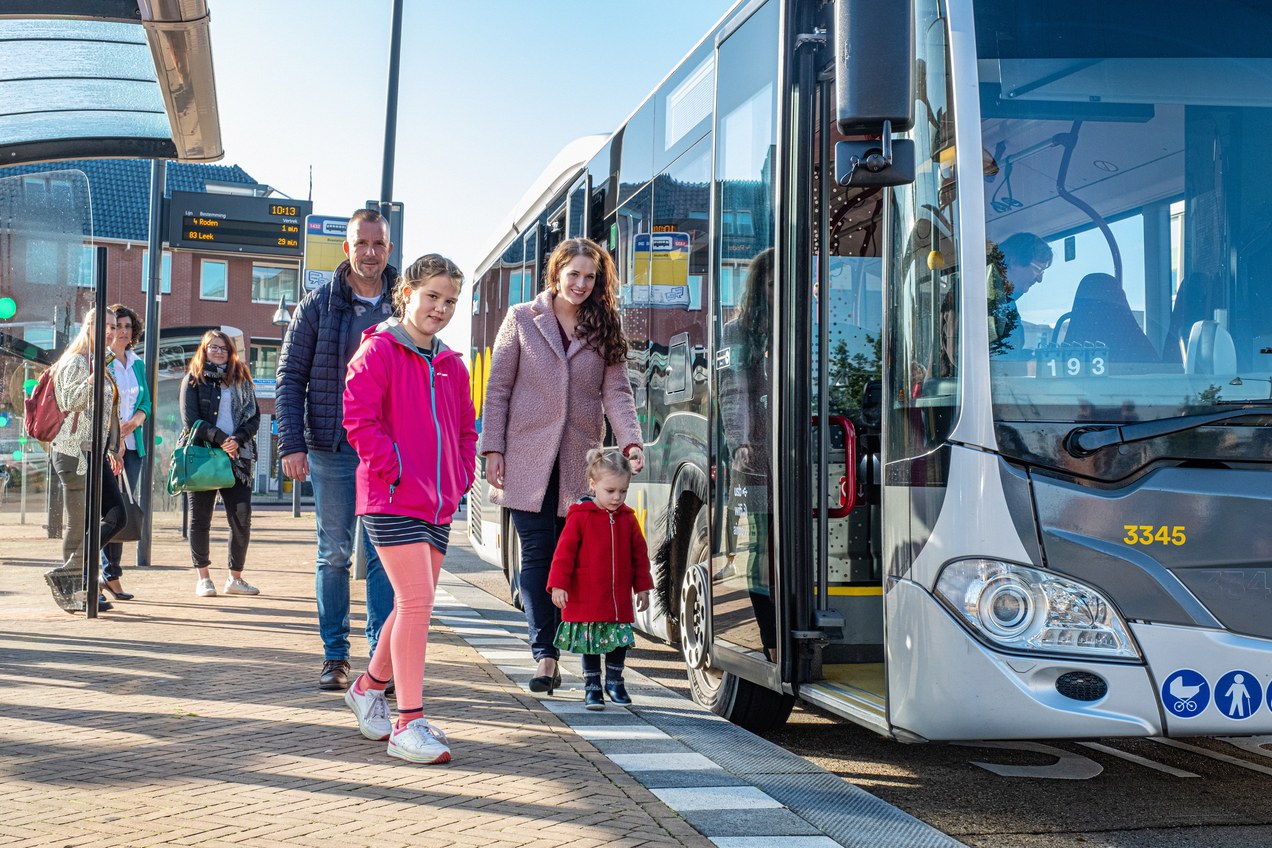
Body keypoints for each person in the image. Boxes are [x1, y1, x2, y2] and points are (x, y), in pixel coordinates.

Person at [480, 237, 644, 694]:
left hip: (579, 458)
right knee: (536, 556)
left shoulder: (604, 325)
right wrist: (493, 447)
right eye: (573, 274)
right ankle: (545, 656)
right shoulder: (521, 319)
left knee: (566, 560)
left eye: (590, 277)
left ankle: (568, 650)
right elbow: (498, 390)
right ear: (556, 273)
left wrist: (629, 440)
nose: (581, 283)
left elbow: (617, 391)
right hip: (526, 455)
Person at [340, 253, 475, 764]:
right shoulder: (379, 351)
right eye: (432, 297)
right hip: (391, 498)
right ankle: (407, 724)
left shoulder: (452, 364)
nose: (440, 308)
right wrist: (393, 467)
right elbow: (358, 418)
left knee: (407, 605)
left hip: (438, 503)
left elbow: (466, 429)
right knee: (417, 603)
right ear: (407, 294)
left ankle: (368, 688)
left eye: (450, 301)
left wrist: (460, 476)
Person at [276, 208, 397, 691]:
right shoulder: (317, 306)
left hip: (388, 450)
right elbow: (290, 378)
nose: (370, 252)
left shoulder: (403, 303)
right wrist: (292, 443)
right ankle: (334, 655)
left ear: (389, 250)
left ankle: (380, 658)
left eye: (379, 244)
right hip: (331, 447)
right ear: (346, 249)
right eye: (361, 243)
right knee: (335, 554)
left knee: (386, 552)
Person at [547, 449, 652, 710]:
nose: (617, 497)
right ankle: (592, 687)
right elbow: (563, 554)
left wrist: (642, 588)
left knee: (618, 642)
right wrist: (558, 585)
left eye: (623, 491)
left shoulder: (628, 519)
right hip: (587, 597)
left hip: (617, 600)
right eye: (610, 491)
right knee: (591, 643)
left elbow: (640, 555)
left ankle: (615, 681)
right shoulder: (580, 516)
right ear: (594, 486)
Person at [718, 249, 777, 658]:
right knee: (760, 542)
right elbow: (732, 388)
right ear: (760, 288)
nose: (780, 293)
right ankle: (769, 639)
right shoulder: (739, 332)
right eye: (773, 285)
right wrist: (739, 442)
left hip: (792, 452)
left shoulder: (804, 324)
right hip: (755, 455)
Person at [46, 307, 125, 612]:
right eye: (104, 325)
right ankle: (75, 588)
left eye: (113, 325)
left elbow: (104, 412)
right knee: (78, 524)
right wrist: (95, 374)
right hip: (72, 451)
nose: (110, 330)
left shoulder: (97, 362)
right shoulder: (76, 360)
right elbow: (70, 402)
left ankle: (71, 575)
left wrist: (111, 446)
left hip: (94, 451)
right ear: (88, 326)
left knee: (117, 516)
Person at [179, 330, 261, 598]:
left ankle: (235, 578)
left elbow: (254, 417)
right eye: (213, 347)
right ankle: (203, 578)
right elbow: (191, 421)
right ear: (204, 350)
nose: (218, 352)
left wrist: (237, 440)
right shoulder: (193, 379)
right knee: (200, 519)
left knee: (241, 518)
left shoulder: (242, 379)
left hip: (238, 458)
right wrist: (222, 439)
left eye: (223, 348)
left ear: (231, 351)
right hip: (204, 456)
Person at [100, 303, 151, 600]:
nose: (122, 331)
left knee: (125, 510)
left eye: (128, 326)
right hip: (110, 447)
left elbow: (147, 401)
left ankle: (111, 573)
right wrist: (114, 437)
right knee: (113, 511)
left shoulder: (138, 363)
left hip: (134, 446)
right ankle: (108, 573)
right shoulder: (102, 362)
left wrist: (135, 422)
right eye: (117, 325)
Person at [1063, 272, 1158, 362]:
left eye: (1106, 305)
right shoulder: (1140, 347)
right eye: (1093, 305)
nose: (1100, 312)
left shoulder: (1067, 356)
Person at [989, 232, 1053, 357]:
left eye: (1043, 272)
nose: (1040, 279)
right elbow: (982, 359)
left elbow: (1008, 353)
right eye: (1037, 269)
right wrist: (1026, 369)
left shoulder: (1006, 302)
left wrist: (1031, 358)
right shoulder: (980, 298)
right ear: (1014, 261)